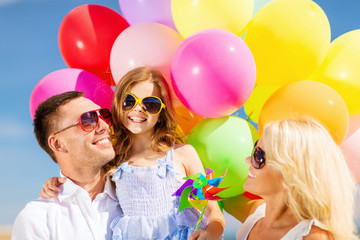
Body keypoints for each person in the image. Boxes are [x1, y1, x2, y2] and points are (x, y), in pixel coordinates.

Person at [41, 67, 225, 240]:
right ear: (118, 104)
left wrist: (212, 232)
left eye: (150, 104)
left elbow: (213, 212)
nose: (138, 109)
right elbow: (85, 184)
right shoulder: (113, 159)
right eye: (129, 101)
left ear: (161, 112)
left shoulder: (183, 154)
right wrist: (57, 182)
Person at [223, 117, 358, 240]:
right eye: (254, 150)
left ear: (289, 175)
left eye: (259, 156)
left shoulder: (313, 236)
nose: (248, 160)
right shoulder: (256, 216)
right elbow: (222, 194)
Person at [11, 91, 122, 239]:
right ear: (58, 143)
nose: (104, 126)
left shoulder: (135, 194)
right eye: (88, 120)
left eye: (103, 114)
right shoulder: (36, 219)